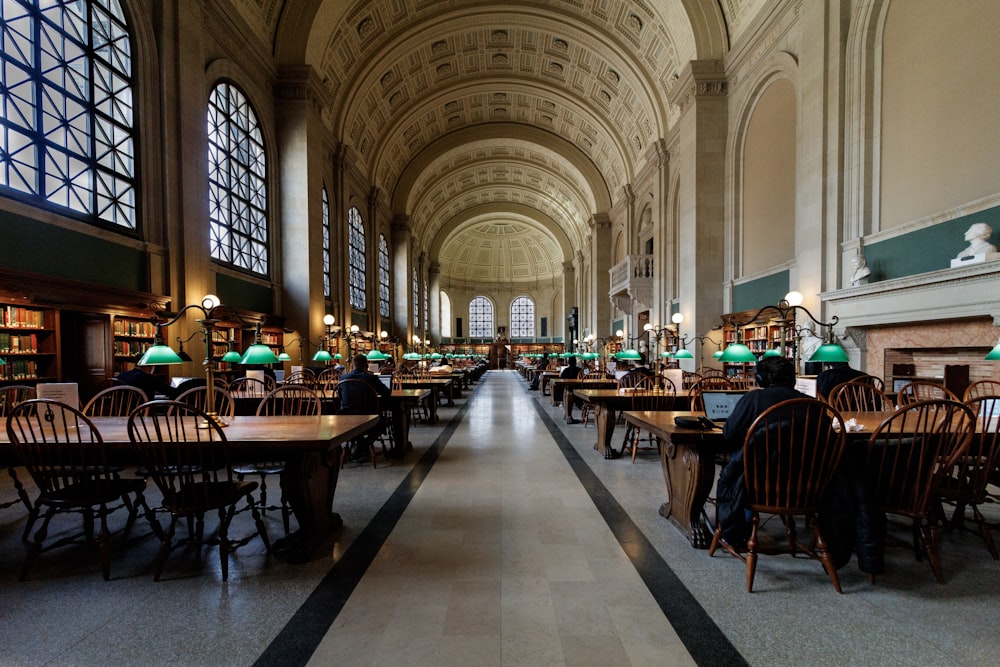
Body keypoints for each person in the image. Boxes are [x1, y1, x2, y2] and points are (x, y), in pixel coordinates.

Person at [715, 356, 884, 573]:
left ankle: (735, 530)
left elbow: (729, 435)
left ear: (759, 379)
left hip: (761, 486)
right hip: (808, 488)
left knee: (736, 468)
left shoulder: (754, 399)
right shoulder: (814, 405)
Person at [338, 354, 393, 459]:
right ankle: (363, 444)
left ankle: (357, 443)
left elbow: (339, 396)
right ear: (366, 366)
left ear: (352, 366)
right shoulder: (371, 378)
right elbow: (386, 393)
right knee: (382, 422)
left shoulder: (343, 378)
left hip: (346, 418)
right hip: (368, 418)